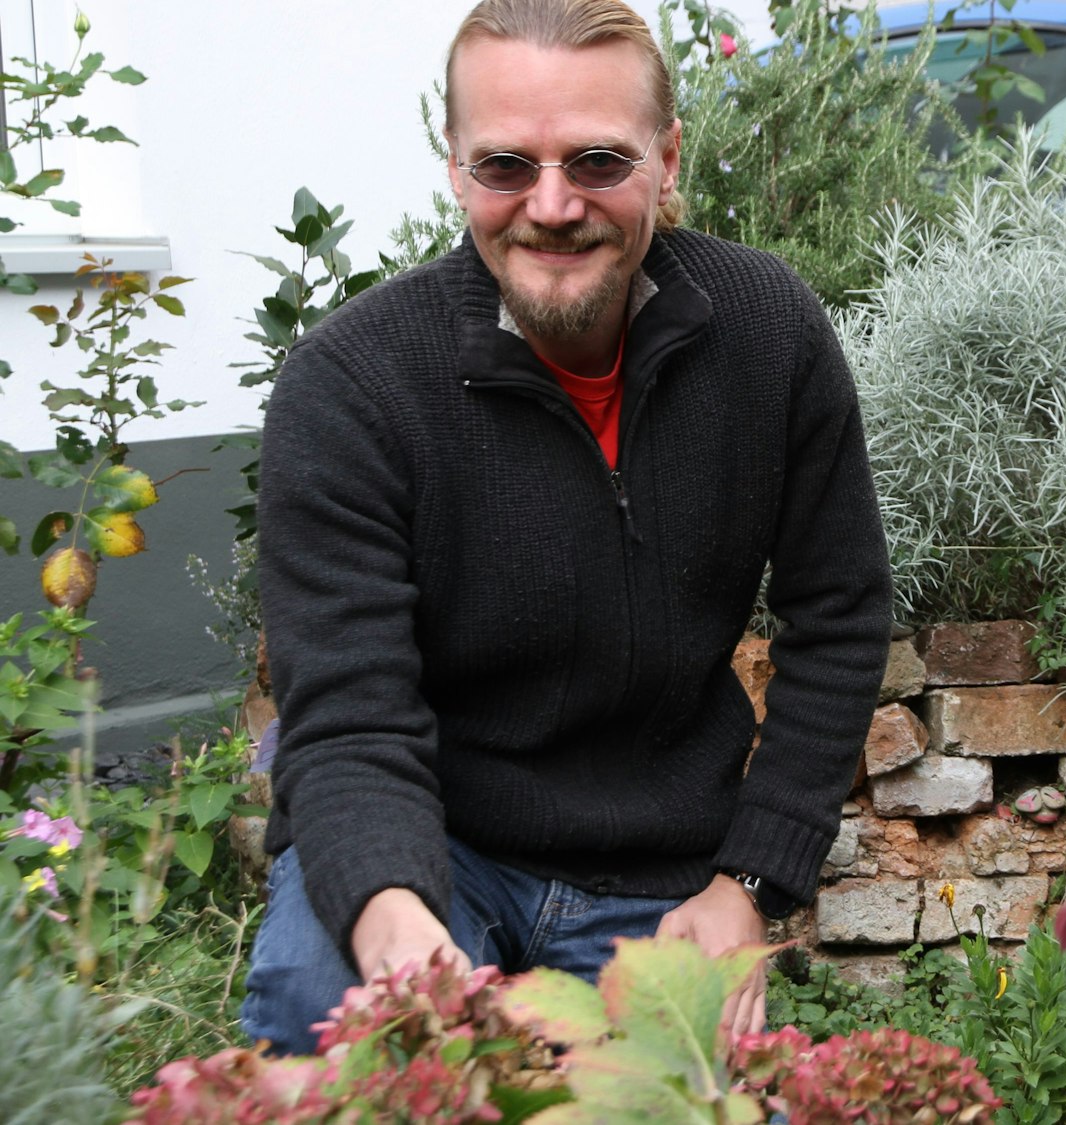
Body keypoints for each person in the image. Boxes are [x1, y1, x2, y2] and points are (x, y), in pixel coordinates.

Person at [241, 0, 892, 1057]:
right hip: (432, 847)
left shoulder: (766, 334)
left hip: (661, 877)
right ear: (454, 165)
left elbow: (843, 613)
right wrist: (390, 912)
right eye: (505, 166)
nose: (551, 206)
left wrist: (748, 882)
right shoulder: (354, 383)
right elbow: (349, 711)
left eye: (596, 161)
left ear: (667, 156)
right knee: (346, 1050)